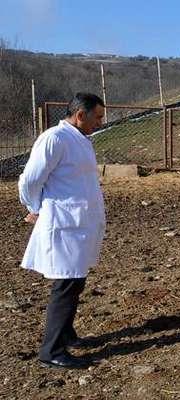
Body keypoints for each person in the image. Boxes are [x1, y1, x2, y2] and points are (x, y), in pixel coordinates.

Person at [18, 92, 106, 369]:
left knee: (76, 280)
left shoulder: (80, 140)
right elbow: (30, 179)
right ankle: (51, 350)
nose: (100, 123)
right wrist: (36, 207)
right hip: (64, 224)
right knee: (66, 284)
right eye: (98, 117)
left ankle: (66, 334)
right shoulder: (54, 139)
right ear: (80, 115)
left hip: (79, 223)